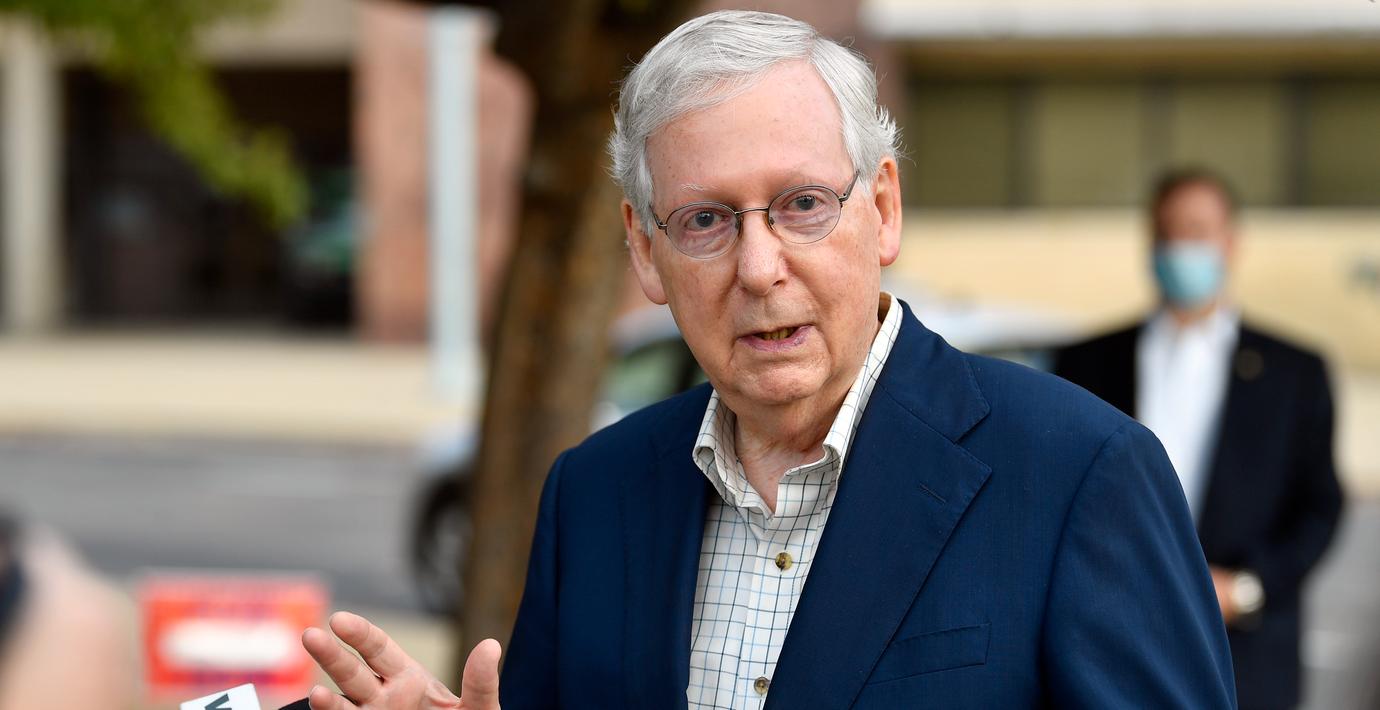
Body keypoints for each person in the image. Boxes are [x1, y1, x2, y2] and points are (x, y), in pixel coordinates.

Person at [300, 11, 1236, 709]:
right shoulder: (594, 494)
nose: (758, 267)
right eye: (705, 220)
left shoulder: (1080, 475)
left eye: (802, 205)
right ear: (645, 251)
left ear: (884, 209)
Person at [1054, 167, 1345, 710]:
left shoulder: (1295, 373)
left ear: (1230, 242)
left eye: (1196, 231)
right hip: (1114, 645)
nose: (1180, 247)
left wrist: (1248, 587)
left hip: (1248, 656)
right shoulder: (1087, 362)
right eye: (1168, 232)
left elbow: (1319, 505)